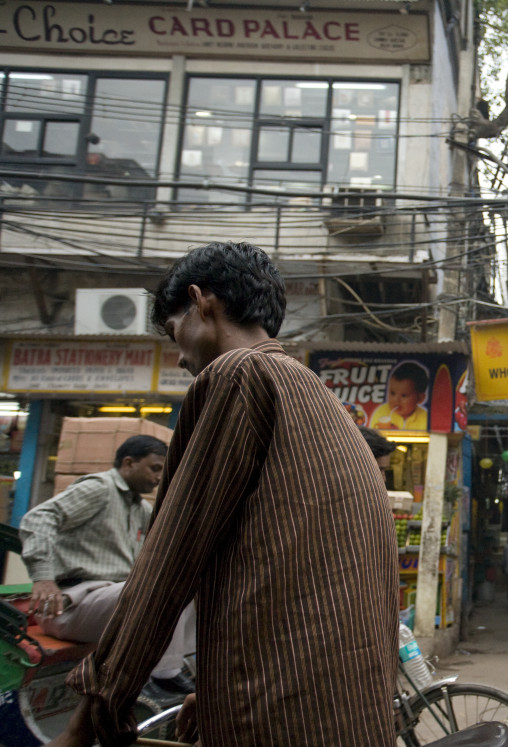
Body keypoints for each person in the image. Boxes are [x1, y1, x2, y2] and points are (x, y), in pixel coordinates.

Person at [53, 241, 399, 747]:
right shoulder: (314, 393)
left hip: (284, 719)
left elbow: (167, 562)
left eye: (176, 333)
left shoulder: (238, 374)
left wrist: (95, 710)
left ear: (201, 302)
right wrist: (217, 687)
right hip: (343, 710)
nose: (178, 357)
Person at [20, 436, 194, 697]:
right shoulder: (100, 488)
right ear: (128, 463)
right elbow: (38, 518)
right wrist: (43, 577)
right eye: (155, 468)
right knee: (162, 586)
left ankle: (182, 663)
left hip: (110, 600)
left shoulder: (141, 508)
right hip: (70, 606)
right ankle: (164, 674)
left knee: (194, 585)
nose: (159, 477)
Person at [371, 361, 429, 431]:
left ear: (420, 398)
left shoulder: (425, 418)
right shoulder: (382, 412)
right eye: (392, 393)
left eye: (404, 395)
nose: (396, 400)